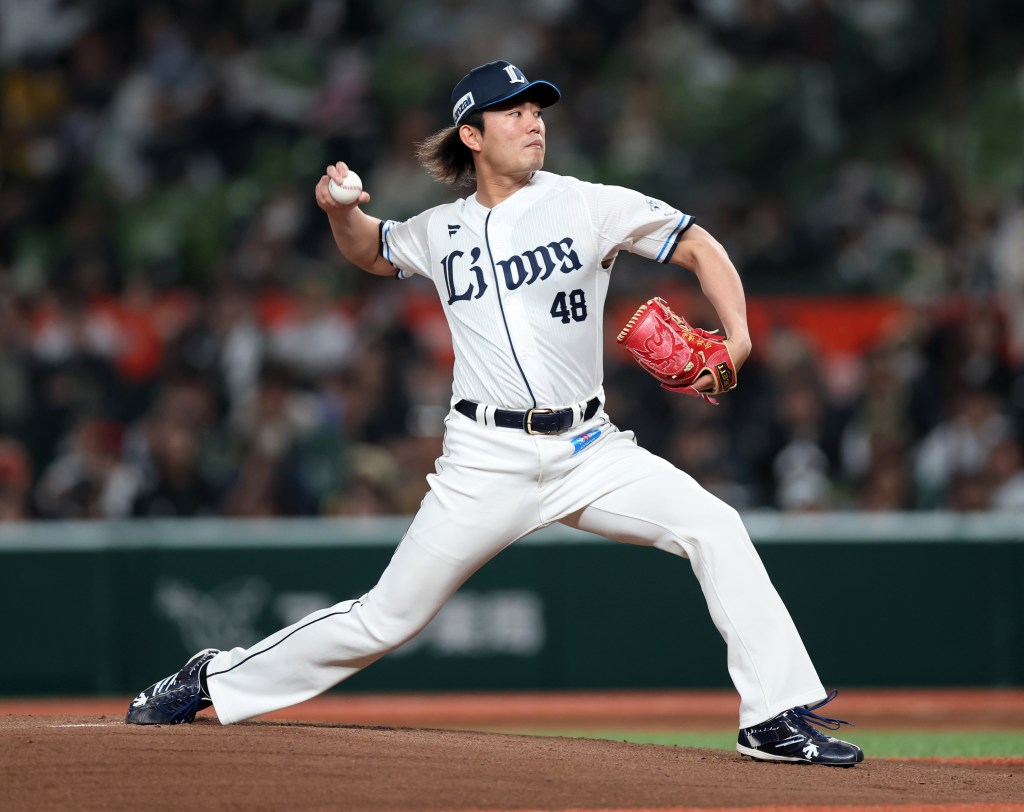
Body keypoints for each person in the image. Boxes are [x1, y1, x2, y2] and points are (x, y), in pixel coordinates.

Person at [126, 60, 864, 767]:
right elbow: (372, 250)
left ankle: (772, 717)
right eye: (513, 112)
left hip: (590, 449)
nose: (533, 122)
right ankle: (213, 677)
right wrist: (340, 211)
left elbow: (698, 245)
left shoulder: (588, 202)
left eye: (536, 110)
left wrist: (738, 335)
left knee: (715, 526)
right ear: (472, 135)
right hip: (484, 458)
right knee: (386, 619)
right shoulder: (439, 228)